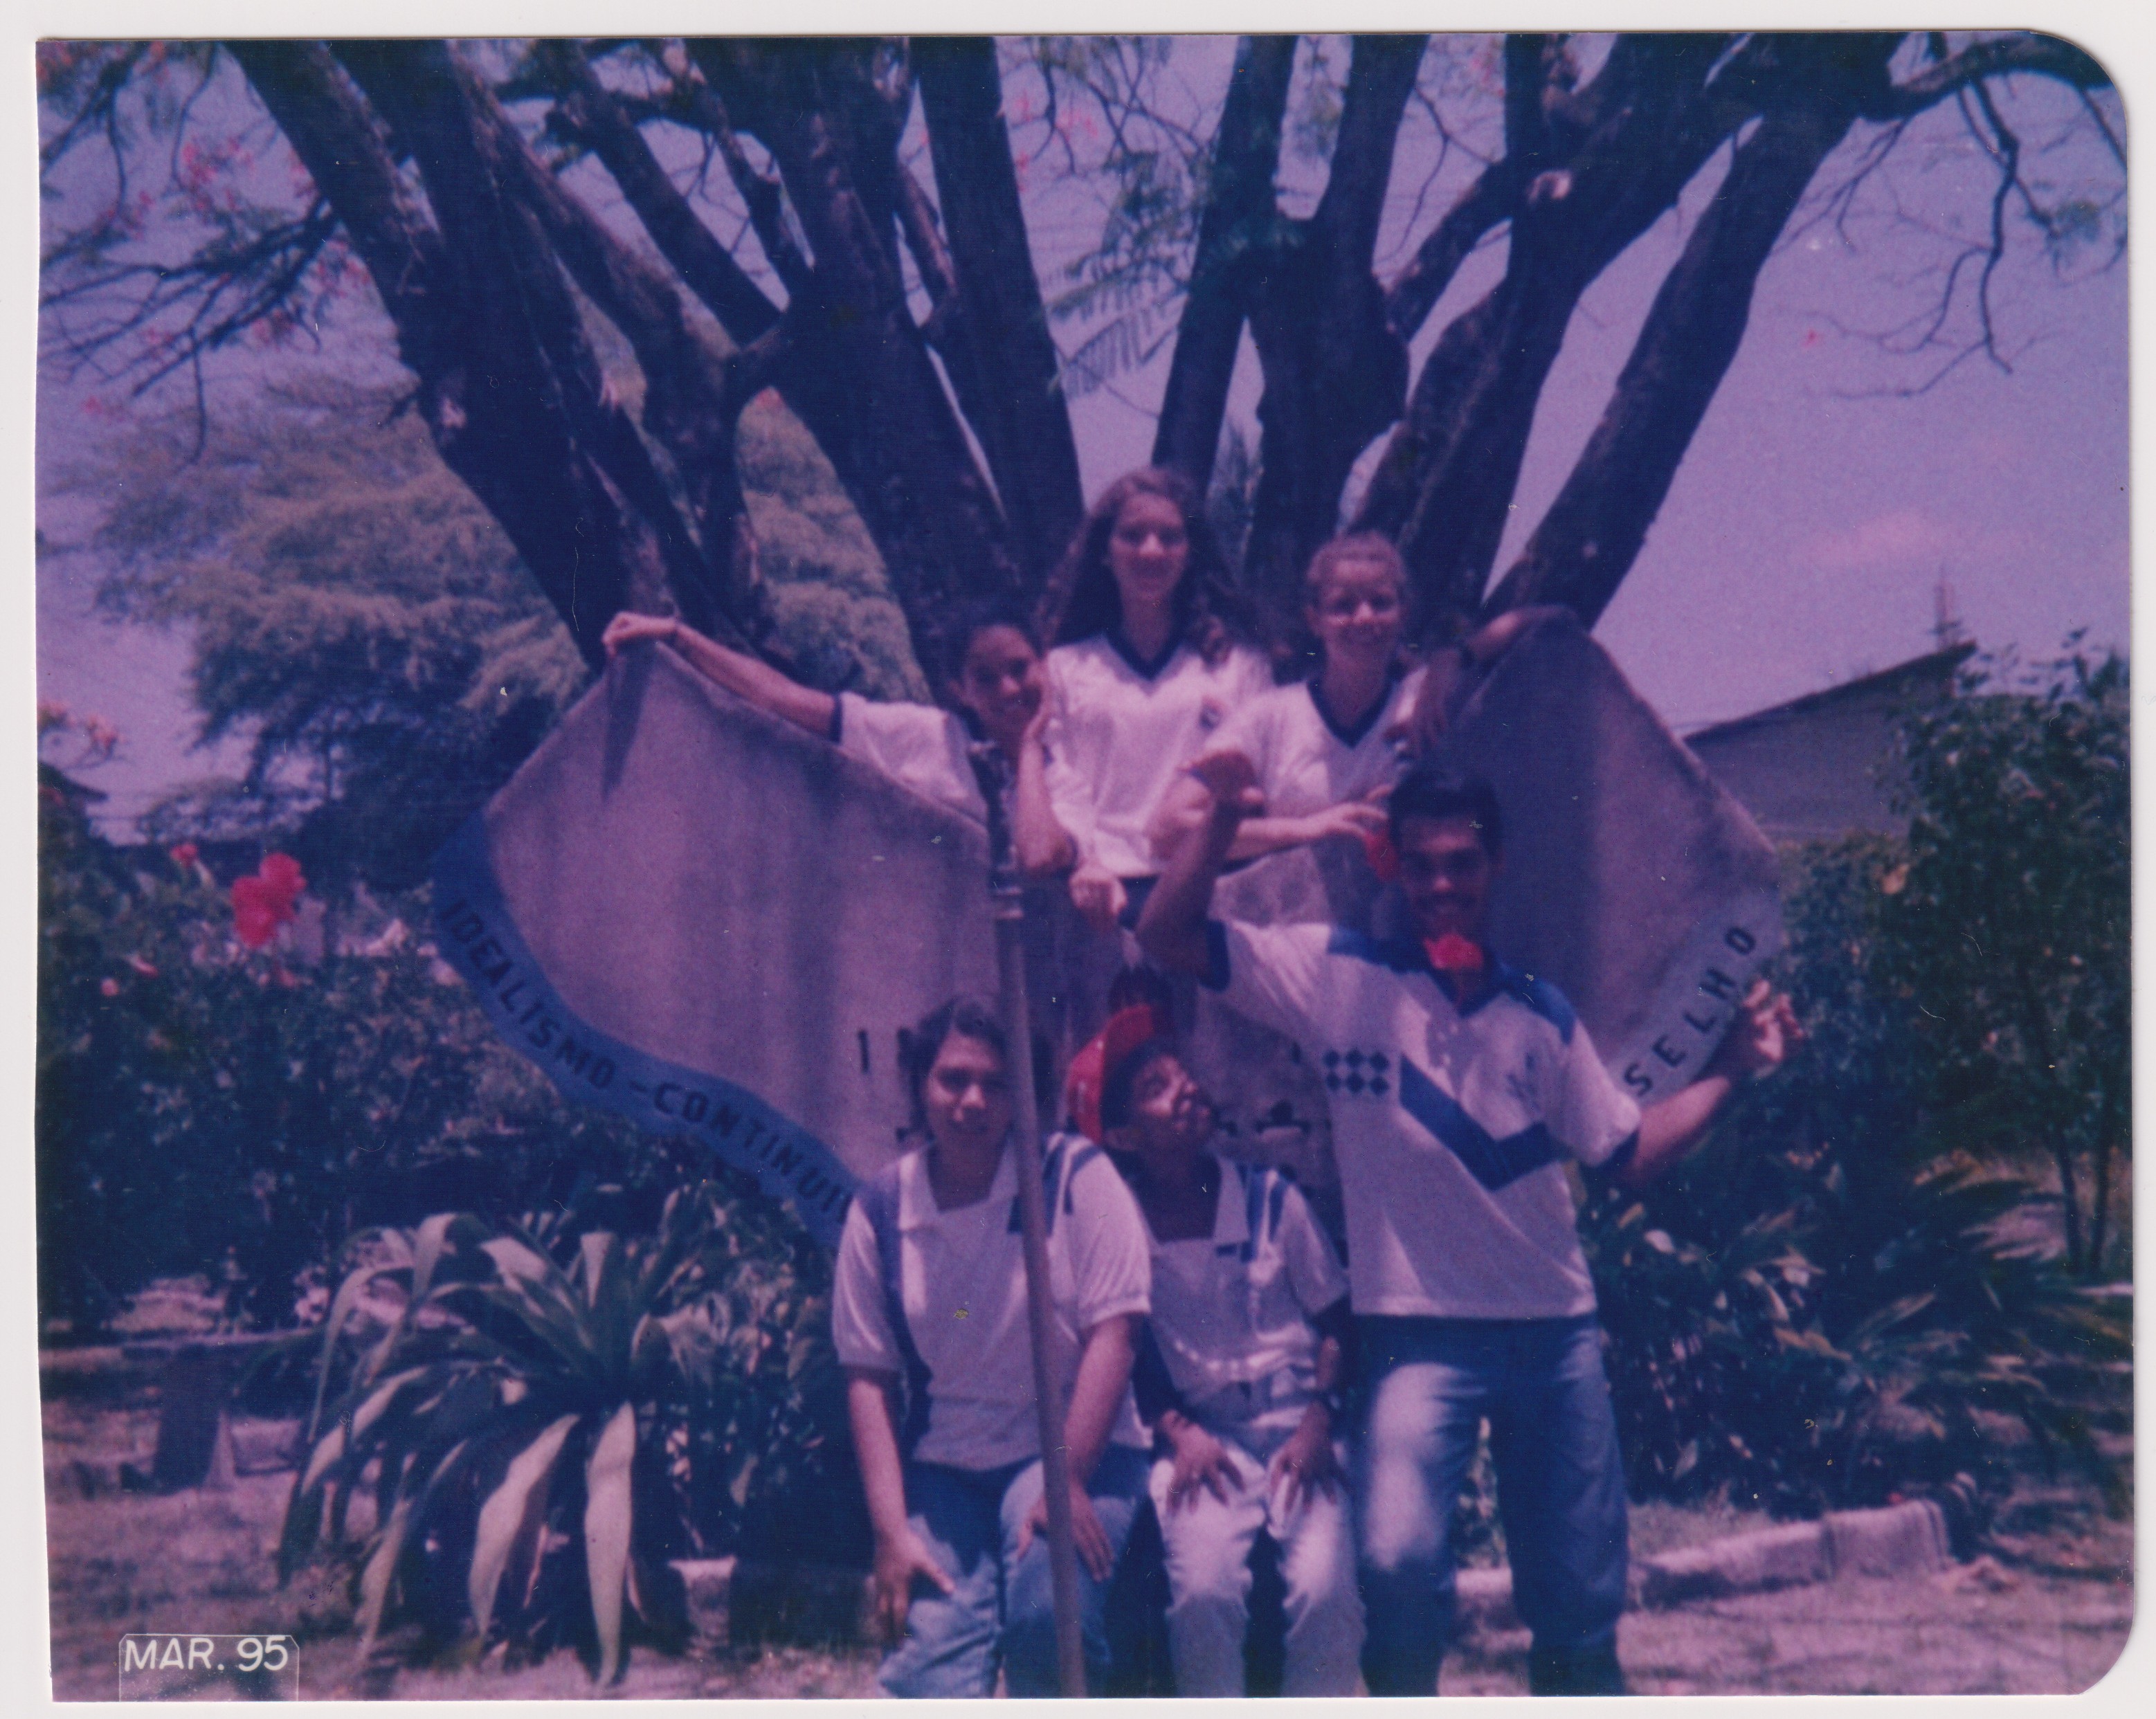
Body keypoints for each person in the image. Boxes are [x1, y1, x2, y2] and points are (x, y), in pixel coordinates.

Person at [1136, 754, 1797, 1696]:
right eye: (1421, 864)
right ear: (1392, 869)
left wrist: (1734, 1064)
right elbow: (1165, 933)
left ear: (1493, 868)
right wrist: (1219, 822)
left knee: (1574, 1600)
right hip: (1415, 1339)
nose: (1441, 885)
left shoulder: (1539, 1015)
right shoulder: (1336, 977)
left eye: (1461, 863)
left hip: (1549, 1333)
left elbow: (1624, 1155)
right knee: (1396, 1568)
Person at [830, 997, 1153, 1698]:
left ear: (1023, 1096)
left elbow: (1116, 1333)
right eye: (953, 1079)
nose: (973, 1101)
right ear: (921, 1086)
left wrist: (1064, 1478)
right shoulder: (881, 1210)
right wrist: (891, 1533)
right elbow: (867, 1377)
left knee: (1047, 1611)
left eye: (996, 1083)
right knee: (928, 1671)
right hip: (949, 1469)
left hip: (1072, 1452)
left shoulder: (1074, 1178)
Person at [1071, 1005, 1365, 1696]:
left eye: (1183, 1076)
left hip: (1300, 1429)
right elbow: (1123, 1354)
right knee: (1203, 1593)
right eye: (1155, 1088)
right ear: (1122, 1135)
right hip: (1204, 1444)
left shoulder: (1270, 1199)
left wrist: (1320, 1416)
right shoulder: (1120, 1232)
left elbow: (1337, 1324)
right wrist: (1179, 1436)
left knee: (1326, 1593)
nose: (1185, 1091)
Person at [601, 603, 1074, 874]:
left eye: (1019, 669)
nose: (1008, 689)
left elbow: (1036, 857)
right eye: (985, 678)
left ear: (1043, 665)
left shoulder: (1072, 775)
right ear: (959, 691)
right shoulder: (920, 735)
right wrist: (679, 637)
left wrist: (1029, 750)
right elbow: (779, 697)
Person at [1035, 468, 1271, 933]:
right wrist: (1085, 862)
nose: (1150, 551)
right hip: (1099, 893)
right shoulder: (1061, 668)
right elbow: (1057, 783)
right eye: (1132, 536)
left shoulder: (1239, 668)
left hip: (1214, 892)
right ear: (1104, 551)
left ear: (1190, 553)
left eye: (1169, 537)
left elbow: (1256, 790)